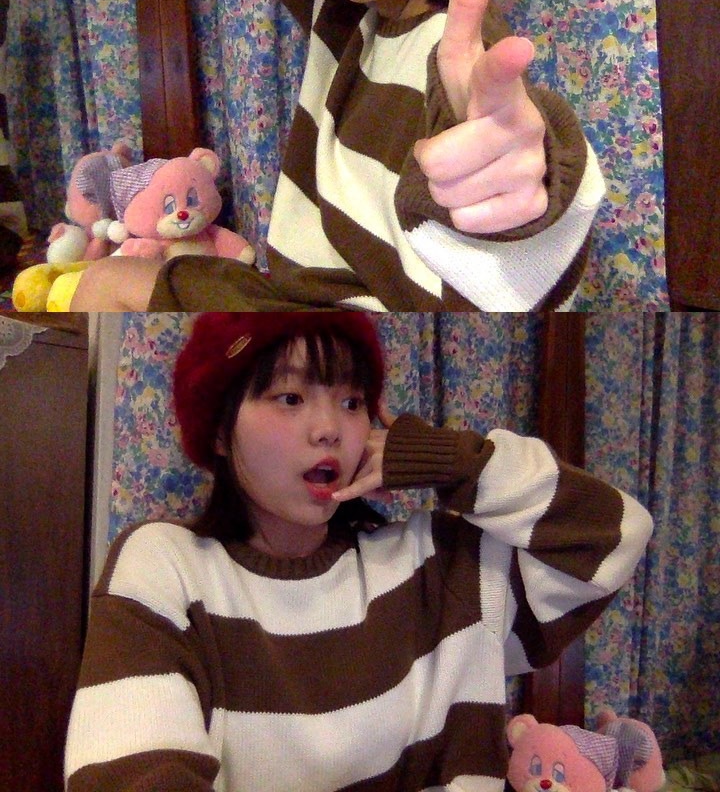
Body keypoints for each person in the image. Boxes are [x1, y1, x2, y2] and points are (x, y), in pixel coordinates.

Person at [64, 295, 654, 791]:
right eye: (290, 398)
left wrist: (451, 463)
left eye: (351, 403)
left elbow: (616, 536)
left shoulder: (438, 566)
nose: (330, 429)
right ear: (220, 430)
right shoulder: (166, 566)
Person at [69, 0, 604, 320]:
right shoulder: (349, 11)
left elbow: (511, 150)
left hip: (368, 314)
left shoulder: (457, 47)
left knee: (105, 283)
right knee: (105, 278)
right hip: (295, 291)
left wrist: (530, 189)